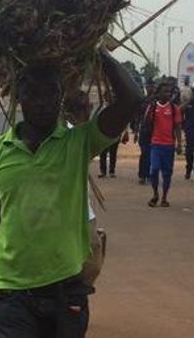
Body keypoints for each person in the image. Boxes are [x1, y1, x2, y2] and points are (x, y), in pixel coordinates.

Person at [0, 51, 142, 338]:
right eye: (32, 93)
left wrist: (98, 52)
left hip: (66, 289)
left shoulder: (79, 142)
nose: (41, 101)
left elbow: (132, 100)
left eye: (51, 92)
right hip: (12, 291)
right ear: (17, 97)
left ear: (61, 97)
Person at [64, 90, 107, 288]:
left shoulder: (84, 133)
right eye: (85, 108)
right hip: (62, 211)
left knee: (92, 262)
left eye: (89, 106)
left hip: (83, 210)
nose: (89, 110)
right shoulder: (71, 133)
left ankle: (77, 294)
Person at [145, 79, 184, 208]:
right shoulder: (153, 107)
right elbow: (146, 121)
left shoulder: (174, 109)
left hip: (169, 145)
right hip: (156, 144)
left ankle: (164, 197)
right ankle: (155, 193)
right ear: (159, 93)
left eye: (169, 92)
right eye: (165, 92)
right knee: (154, 170)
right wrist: (149, 107)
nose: (167, 94)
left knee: (167, 173)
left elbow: (178, 126)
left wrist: (179, 143)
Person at [133, 81, 156, 185]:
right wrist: (136, 132)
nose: (149, 88)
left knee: (152, 154)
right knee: (145, 153)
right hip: (144, 130)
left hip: (154, 131)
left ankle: (150, 175)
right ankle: (142, 175)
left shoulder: (157, 101)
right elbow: (138, 117)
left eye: (151, 86)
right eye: (148, 86)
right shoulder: (143, 100)